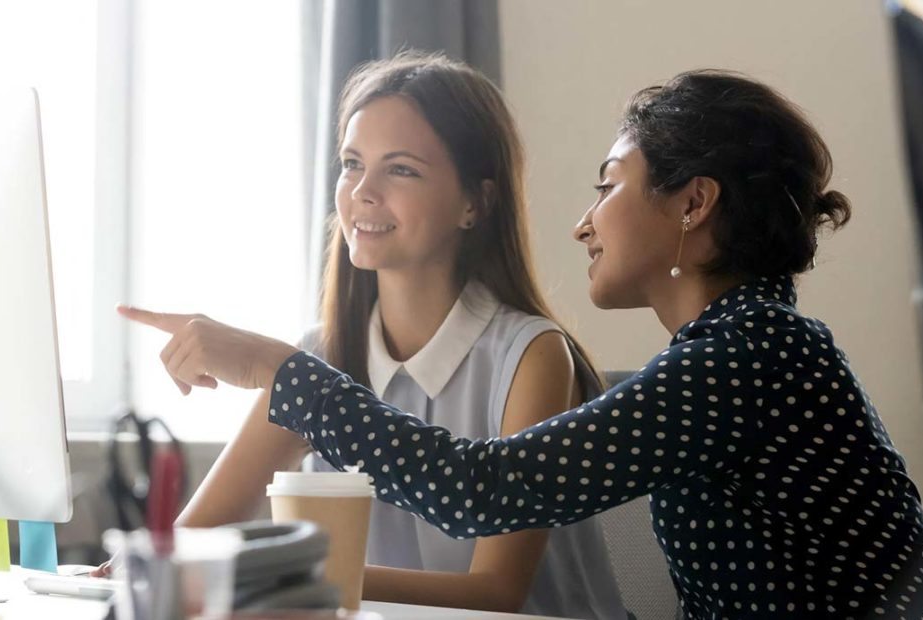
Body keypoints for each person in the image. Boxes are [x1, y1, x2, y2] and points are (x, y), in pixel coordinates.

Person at [127, 69, 923, 617]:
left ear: (693, 204)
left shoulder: (751, 354)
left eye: (609, 185)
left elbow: (484, 490)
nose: (585, 221)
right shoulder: (741, 349)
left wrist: (278, 371)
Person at [118, 52, 626, 618]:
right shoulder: (322, 356)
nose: (362, 190)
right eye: (352, 163)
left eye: (401, 169)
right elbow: (194, 535)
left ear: (474, 202)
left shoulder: (531, 355)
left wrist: (294, 576)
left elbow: (496, 591)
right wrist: (126, 572)